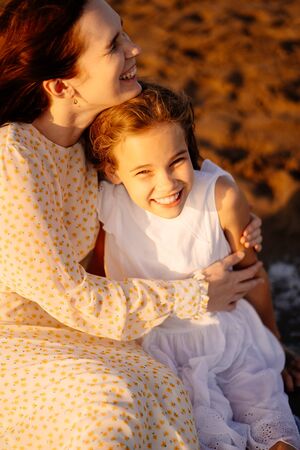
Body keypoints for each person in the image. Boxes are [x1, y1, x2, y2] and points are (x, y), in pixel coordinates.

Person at [0, 0, 265, 448]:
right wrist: (197, 293)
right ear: (61, 85)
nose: (134, 48)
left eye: (124, 34)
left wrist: (226, 209)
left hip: (86, 335)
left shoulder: (94, 141)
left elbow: (172, 170)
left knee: (166, 389)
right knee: (109, 408)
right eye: (112, 45)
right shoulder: (12, 157)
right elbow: (70, 293)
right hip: (15, 339)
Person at [88, 82, 300, 449]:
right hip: (155, 350)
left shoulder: (220, 196)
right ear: (112, 170)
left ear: (189, 146)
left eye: (177, 161)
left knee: (272, 424)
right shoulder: (106, 205)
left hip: (230, 337)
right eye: (144, 172)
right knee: (204, 432)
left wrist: (276, 345)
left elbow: (253, 276)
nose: (167, 183)